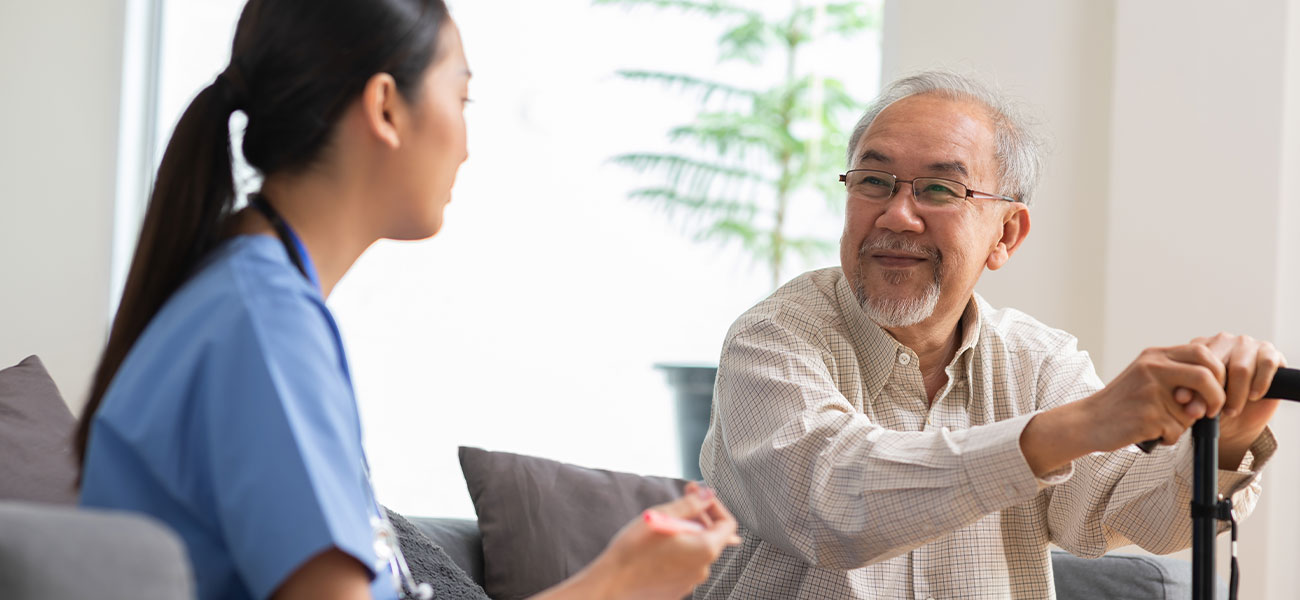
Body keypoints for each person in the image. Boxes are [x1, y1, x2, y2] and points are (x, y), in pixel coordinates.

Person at [75, 1, 739, 599]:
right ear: (387, 107)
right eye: (463, 97)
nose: (469, 146)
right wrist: (618, 583)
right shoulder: (264, 326)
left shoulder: (245, 298)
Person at [692, 70, 1282, 599]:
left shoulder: (1039, 360)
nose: (898, 214)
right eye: (874, 181)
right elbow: (830, 504)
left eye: (941, 190)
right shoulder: (773, 337)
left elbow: (1133, 514)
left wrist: (1227, 439)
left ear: (1007, 234)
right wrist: (1080, 425)